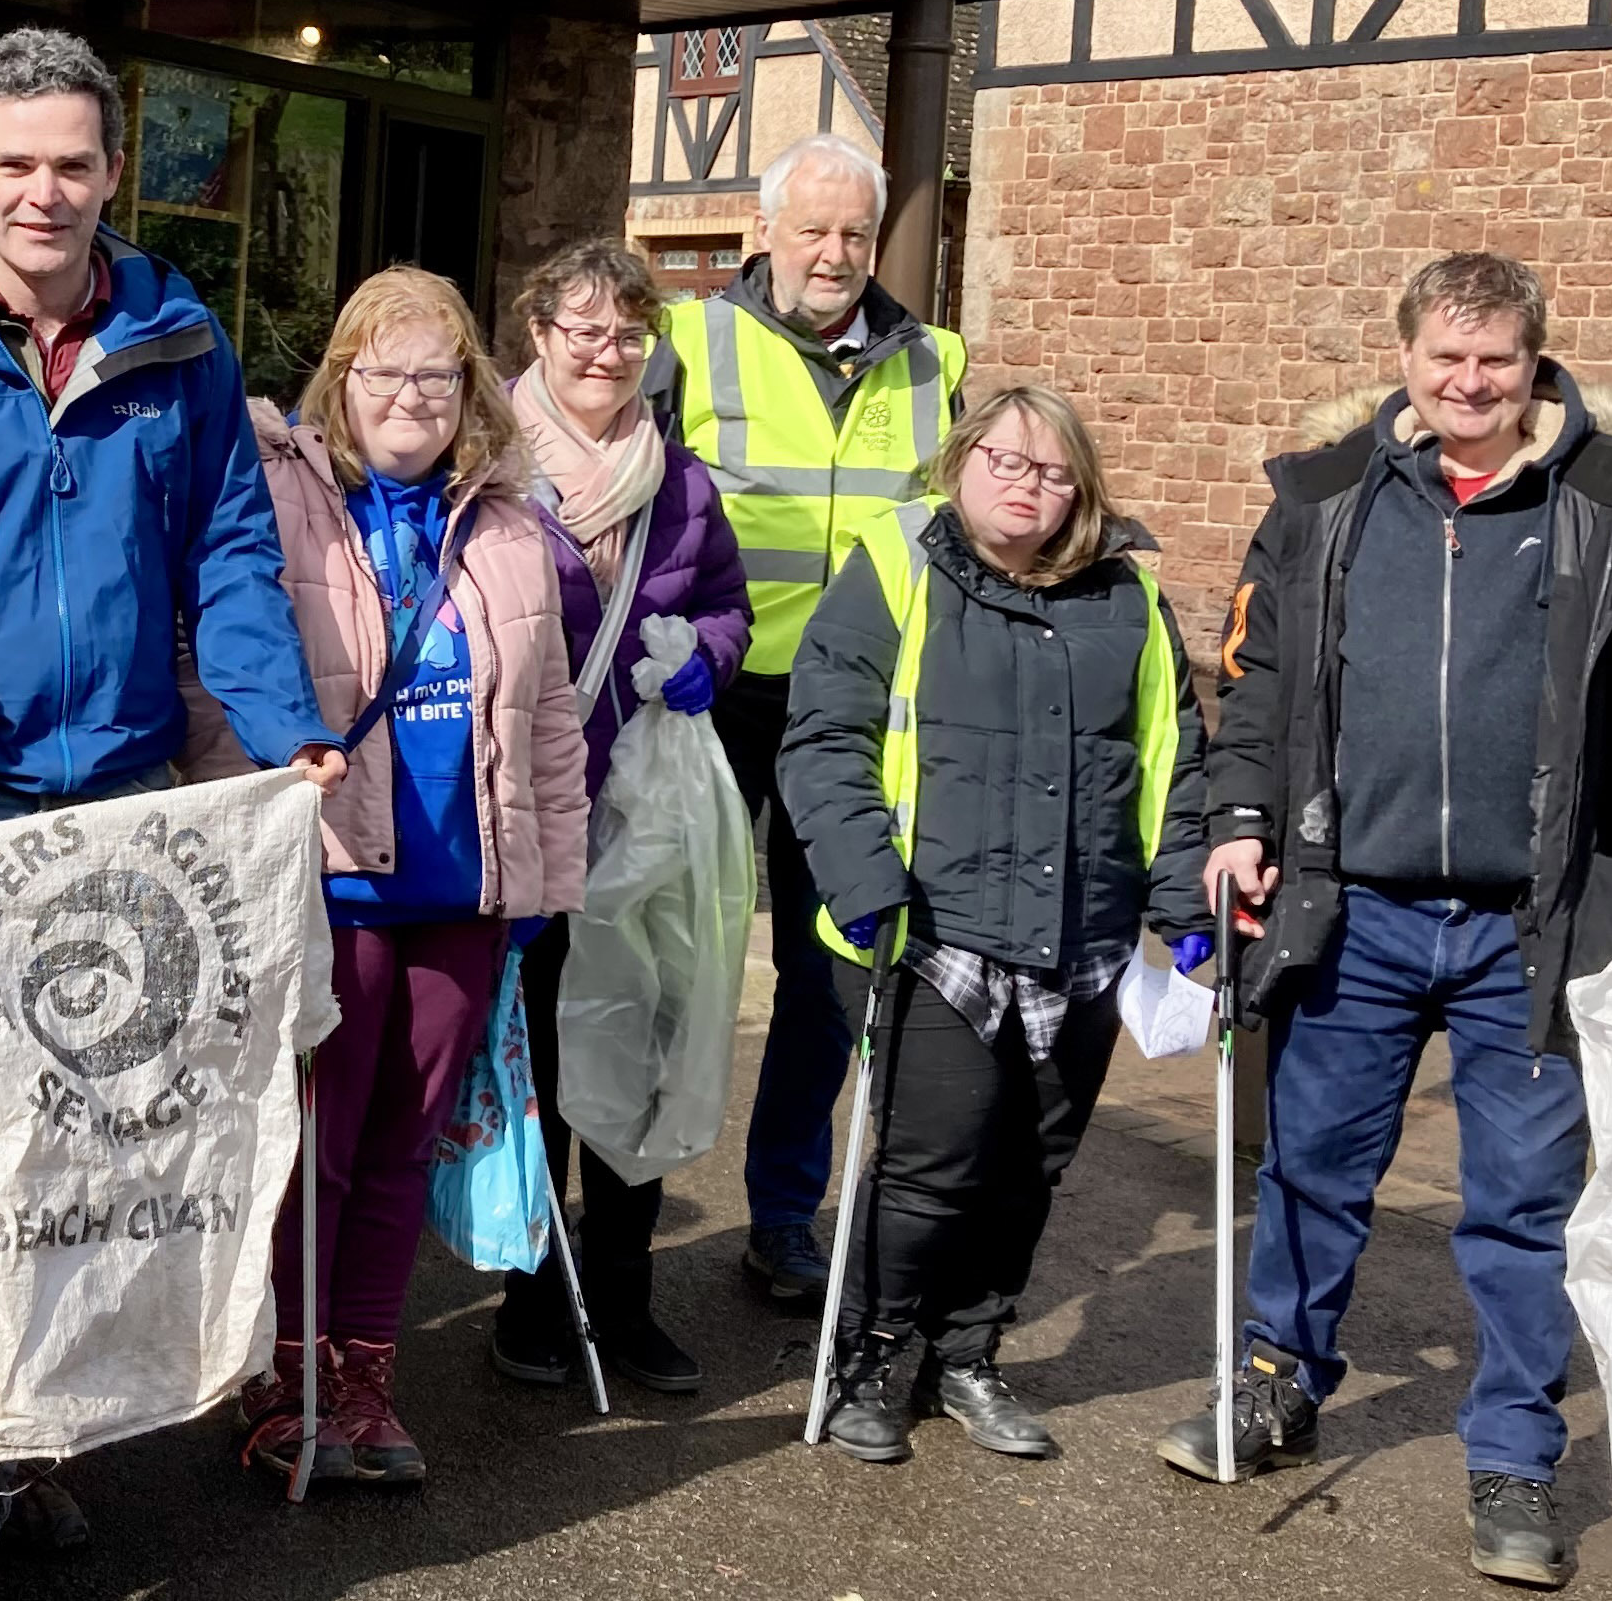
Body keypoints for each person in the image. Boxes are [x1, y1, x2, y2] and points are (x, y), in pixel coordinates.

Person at [0, 25, 339, 1601]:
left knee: (96, 1165)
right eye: (13, 161)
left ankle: (27, 1443)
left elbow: (231, 550)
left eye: (74, 162)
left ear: (112, 172)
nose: (44, 190)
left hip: (114, 804)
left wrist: (276, 715)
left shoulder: (173, 346)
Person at [1174, 251, 1612, 1591]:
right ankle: (1276, 1382)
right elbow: (1253, 687)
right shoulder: (1321, 501)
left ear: (1536, 362)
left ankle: (1514, 1455)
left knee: (1524, 1207)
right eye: (1447, 359)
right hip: (1349, 908)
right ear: (1409, 361)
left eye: (1497, 362)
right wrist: (1238, 819)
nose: (1471, 384)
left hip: (1530, 925)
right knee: (1310, 1169)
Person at [193, 267, 584, 1488]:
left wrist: (542, 890)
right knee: (321, 1147)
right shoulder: (281, 500)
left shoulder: (513, 525)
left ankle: (366, 1380)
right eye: (384, 371)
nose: (410, 396)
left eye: (435, 373)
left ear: (468, 389)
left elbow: (554, 719)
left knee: (406, 1149)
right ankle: (286, 1379)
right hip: (329, 881)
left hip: (462, 894)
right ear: (342, 381)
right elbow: (219, 679)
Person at [778, 384, 1204, 1462]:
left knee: (1031, 1168)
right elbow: (825, 736)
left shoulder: (1129, 601)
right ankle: (866, 1357)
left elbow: (1172, 758)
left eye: (1053, 471)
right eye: (1007, 461)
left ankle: (964, 1356)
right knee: (933, 1164)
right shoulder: (896, 567)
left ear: (1082, 490)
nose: (1028, 485)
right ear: (961, 462)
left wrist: (1184, 900)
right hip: (933, 931)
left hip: (1084, 933)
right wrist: (860, 877)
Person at [654, 133, 964, 1312]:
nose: (833, 254)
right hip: (709, 696)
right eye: (812, 230)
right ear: (765, 233)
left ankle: (783, 1215)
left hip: (858, 710)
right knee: (663, 949)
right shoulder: (689, 342)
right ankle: (619, 1202)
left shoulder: (935, 362)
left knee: (824, 973)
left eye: (854, 234)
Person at [489, 238, 749, 1398]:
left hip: (640, 825)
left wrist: (710, 656)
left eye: (629, 335)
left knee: (637, 1050)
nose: (608, 353)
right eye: (585, 330)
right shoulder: (483, 463)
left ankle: (629, 1300)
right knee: (541, 1064)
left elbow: (730, 609)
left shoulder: (684, 483)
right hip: (521, 810)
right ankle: (538, 1303)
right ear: (538, 334)